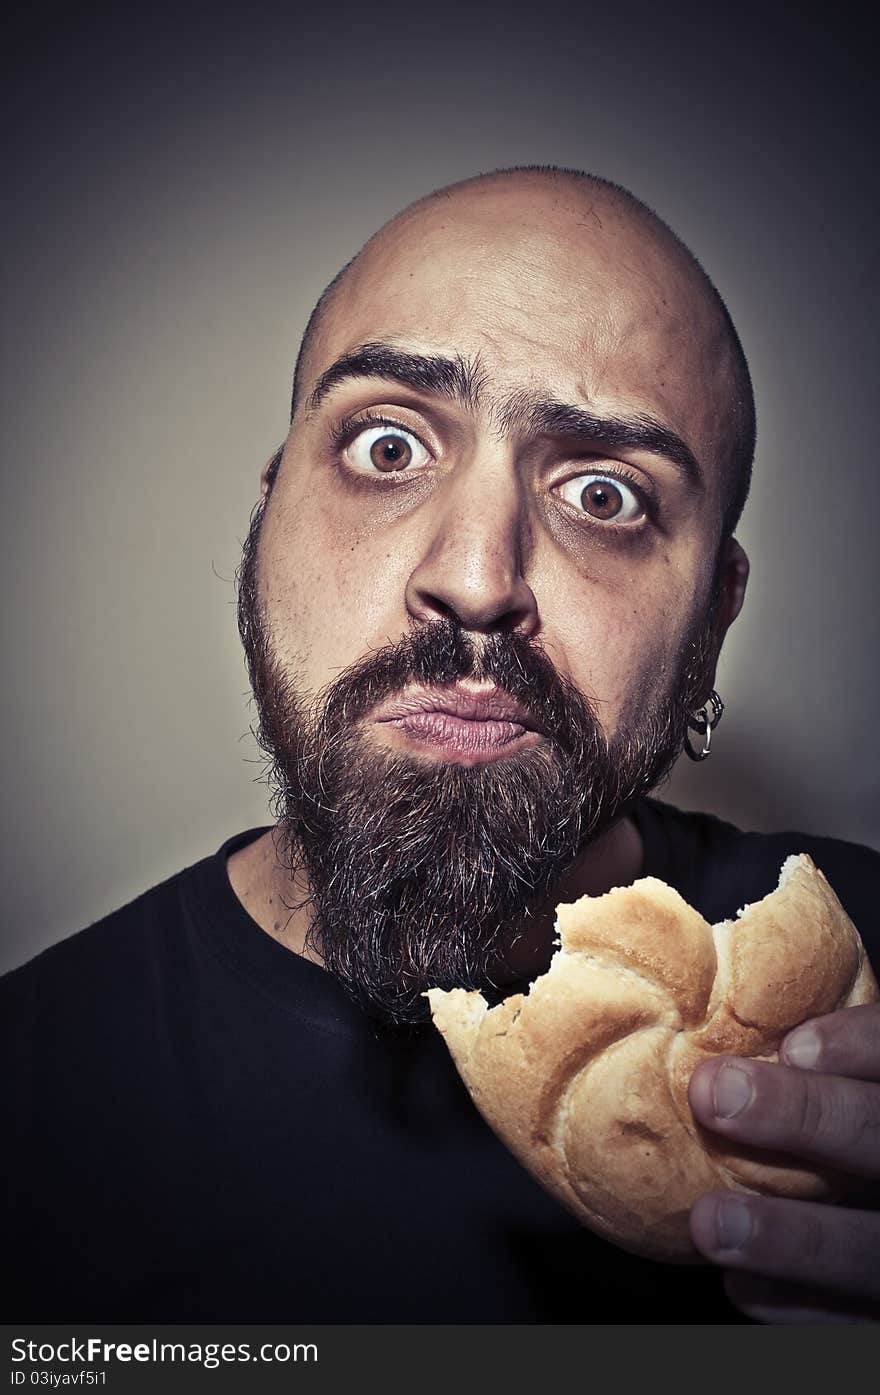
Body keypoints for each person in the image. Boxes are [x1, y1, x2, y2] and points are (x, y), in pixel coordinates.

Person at [3, 166, 878, 1326]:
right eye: (387, 448)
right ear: (268, 519)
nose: (474, 580)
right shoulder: (29, 1093)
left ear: (713, 617)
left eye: (606, 494)